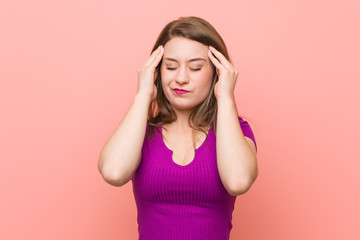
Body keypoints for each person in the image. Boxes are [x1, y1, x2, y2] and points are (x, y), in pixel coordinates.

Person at [98, 16, 258, 240]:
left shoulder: (235, 130)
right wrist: (143, 94)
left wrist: (226, 97)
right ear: (156, 72)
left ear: (216, 73)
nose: (181, 78)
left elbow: (238, 181)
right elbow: (113, 173)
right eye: (171, 67)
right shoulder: (141, 131)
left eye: (195, 68)